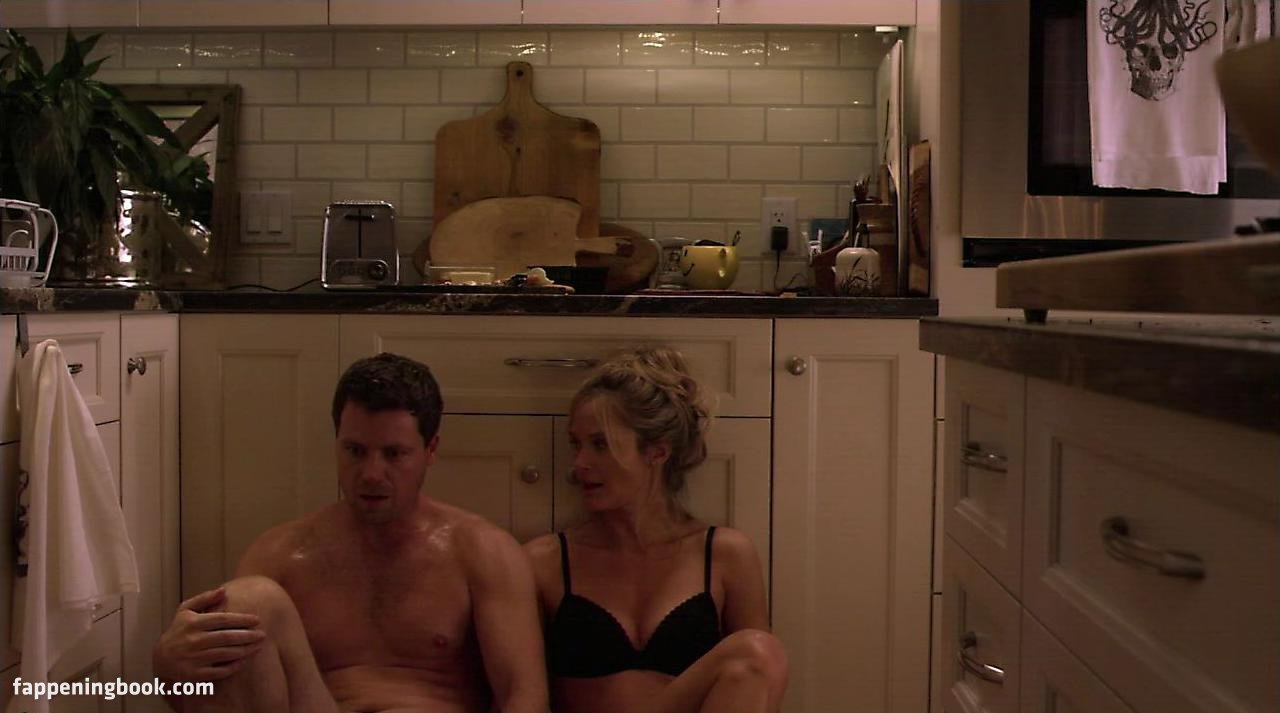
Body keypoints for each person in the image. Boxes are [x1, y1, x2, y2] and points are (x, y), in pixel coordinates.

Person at [153, 353, 549, 713]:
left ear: (430, 449)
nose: (372, 474)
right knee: (248, 598)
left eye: (394, 454)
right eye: (355, 451)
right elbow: (221, 693)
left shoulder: (483, 551)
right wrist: (170, 669)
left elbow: (525, 697)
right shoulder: (282, 555)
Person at [523, 347, 788, 713]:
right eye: (576, 444)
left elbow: (760, 692)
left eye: (600, 444)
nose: (579, 463)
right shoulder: (544, 561)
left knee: (758, 652)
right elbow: (521, 695)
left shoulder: (724, 554)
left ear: (657, 452)